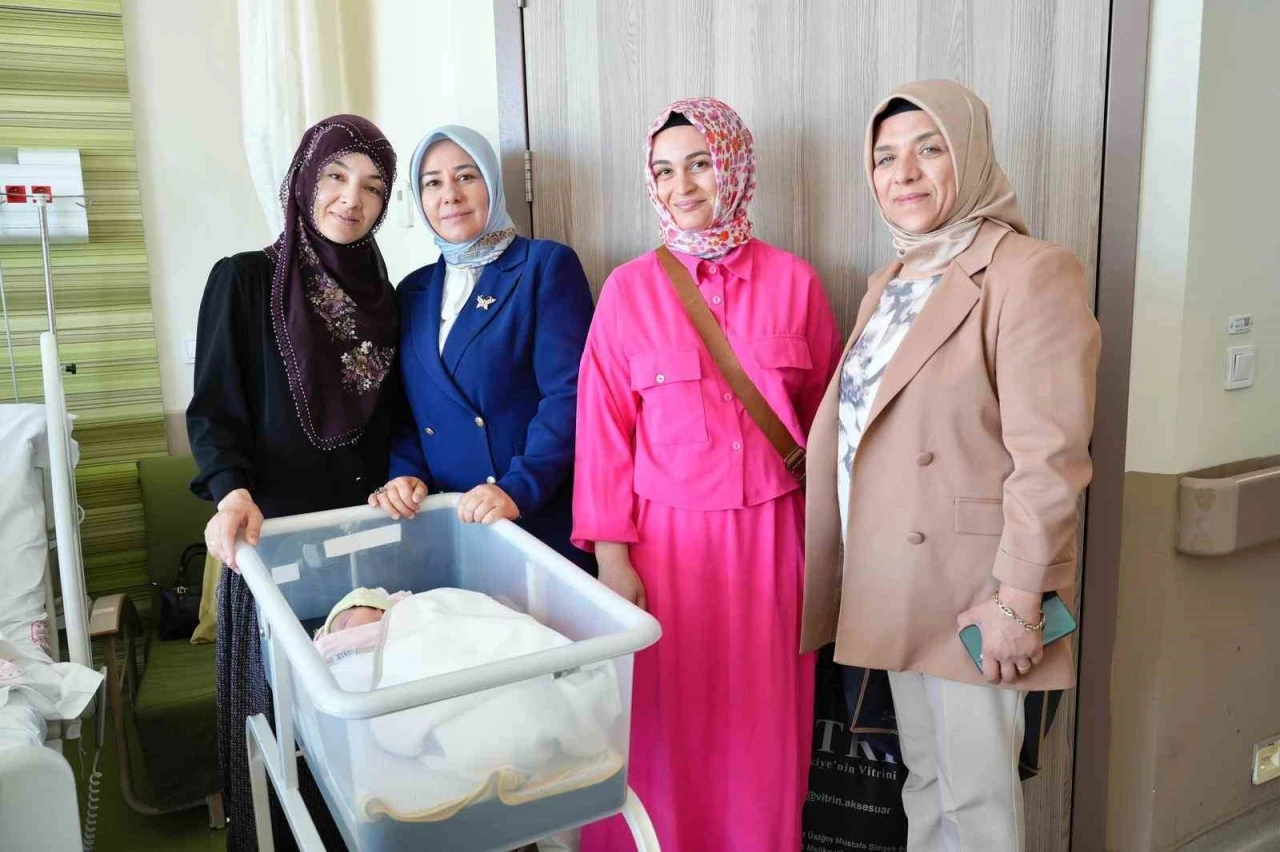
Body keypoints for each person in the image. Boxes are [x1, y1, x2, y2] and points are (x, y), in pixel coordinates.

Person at [800, 80, 1101, 851]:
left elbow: (1051, 459)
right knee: (926, 785)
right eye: (885, 157)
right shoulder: (890, 283)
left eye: (929, 149)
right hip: (896, 580)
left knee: (977, 803)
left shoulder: (1029, 271)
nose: (903, 173)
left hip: (977, 589)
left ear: (968, 156)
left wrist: (1018, 601)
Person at [573, 98, 842, 852]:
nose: (682, 185)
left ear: (735, 167)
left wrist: (830, 557)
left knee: (763, 730)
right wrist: (613, 559)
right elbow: (603, 432)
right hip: (664, 553)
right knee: (661, 729)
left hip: (773, 547)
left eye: (700, 164)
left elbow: (828, 428)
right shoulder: (628, 290)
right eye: (664, 171)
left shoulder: (796, 283)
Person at [188, 114, 400, 851]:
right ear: (305, 182)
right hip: (274, 548)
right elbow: (215, 410)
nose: (352, 199)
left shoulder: (383, 297)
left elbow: (397, 421)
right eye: (336, 176)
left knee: (367, 735)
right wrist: (231, 491)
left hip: (367, 550)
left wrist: (405, 482)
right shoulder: (244, 281)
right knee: (282, 745)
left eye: (373, 187)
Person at [371, 125, 595, 574]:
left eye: (465, 176)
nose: (449, 195)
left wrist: (518, 488)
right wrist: (406, 473)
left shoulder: (543, 265)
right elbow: (410, 409)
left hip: (530, 515)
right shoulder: (412, 290)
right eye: (432, 183)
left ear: (491, 182)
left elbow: (569, 396)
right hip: (449, 523)